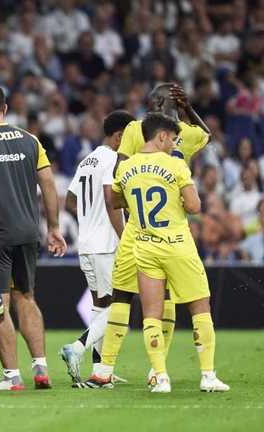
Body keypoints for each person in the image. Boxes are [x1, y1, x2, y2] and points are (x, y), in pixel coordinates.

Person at [91, 83, 210, 388]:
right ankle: (154, 370)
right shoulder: (187, 134)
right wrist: (188, 109)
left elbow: (119, 174)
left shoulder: (137, 128)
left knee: (124, 294)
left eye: (153, 101)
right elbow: (206, 134)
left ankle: (108, 368)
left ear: (157, 103)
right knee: (160, 297)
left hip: (139, 227)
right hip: (172, 227)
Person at [0, 83, 67, 391]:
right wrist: (54, 227)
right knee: (27, 297)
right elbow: (48, 184)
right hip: (28, 232)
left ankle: (12, 377)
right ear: (5, 109)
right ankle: (41, 369)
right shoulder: (31, 140)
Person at [111, 113, 229, 393]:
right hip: (177, 245)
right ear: (162, 136)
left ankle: (161, 378)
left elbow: (115, 200)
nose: (175, 144)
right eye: (174, 139)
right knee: (200, 307)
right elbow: (194, 206)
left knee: (151, 314)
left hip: (145, 246)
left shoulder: (125, 166)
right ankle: (208, 376)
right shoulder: (175, 164)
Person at [59, 110, 134, 386]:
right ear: (119, 136)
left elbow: (69, 200)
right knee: (119, 305)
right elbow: (111, 201)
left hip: (86, 244)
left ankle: (100, 370)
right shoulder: (113, 159)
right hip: (107, 244)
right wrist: (125, 237)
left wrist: (88, 217)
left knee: (101, 305)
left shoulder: (87, 160)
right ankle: (76, 347)